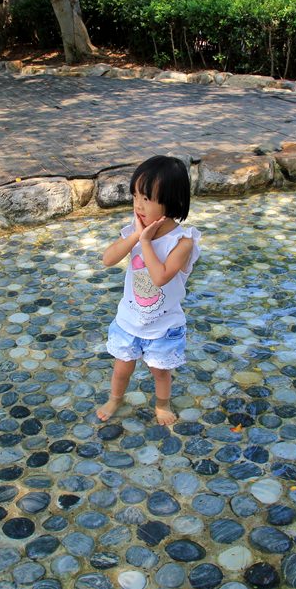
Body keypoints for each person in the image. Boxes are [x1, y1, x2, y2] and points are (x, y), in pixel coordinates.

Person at [97, 155, 201, 426]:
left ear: (171, 200)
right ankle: (115, 398)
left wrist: (145, 242)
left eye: (146, 198)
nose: (138, 205)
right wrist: (135, 236)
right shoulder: (134, 231)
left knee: (160, 372)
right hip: (129, 320)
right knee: (121, 368)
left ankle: (162, 404)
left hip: (164, 326)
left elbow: (160, 278)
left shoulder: (183, 242)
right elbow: (107, 259)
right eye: (135, 196)